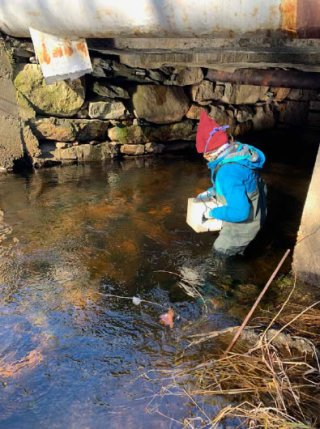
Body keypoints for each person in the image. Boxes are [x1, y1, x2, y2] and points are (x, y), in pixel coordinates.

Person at [196, 109, 267, 256]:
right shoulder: (237, 153)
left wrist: (212, 213)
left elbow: (240, 213)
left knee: (220, 253)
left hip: (246, 219)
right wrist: (212, 191)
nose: (204, 157)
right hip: (256, 205)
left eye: (204, 153)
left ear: (210, 153)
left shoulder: (227, 173)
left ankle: (229, 276)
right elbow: (238, 184)